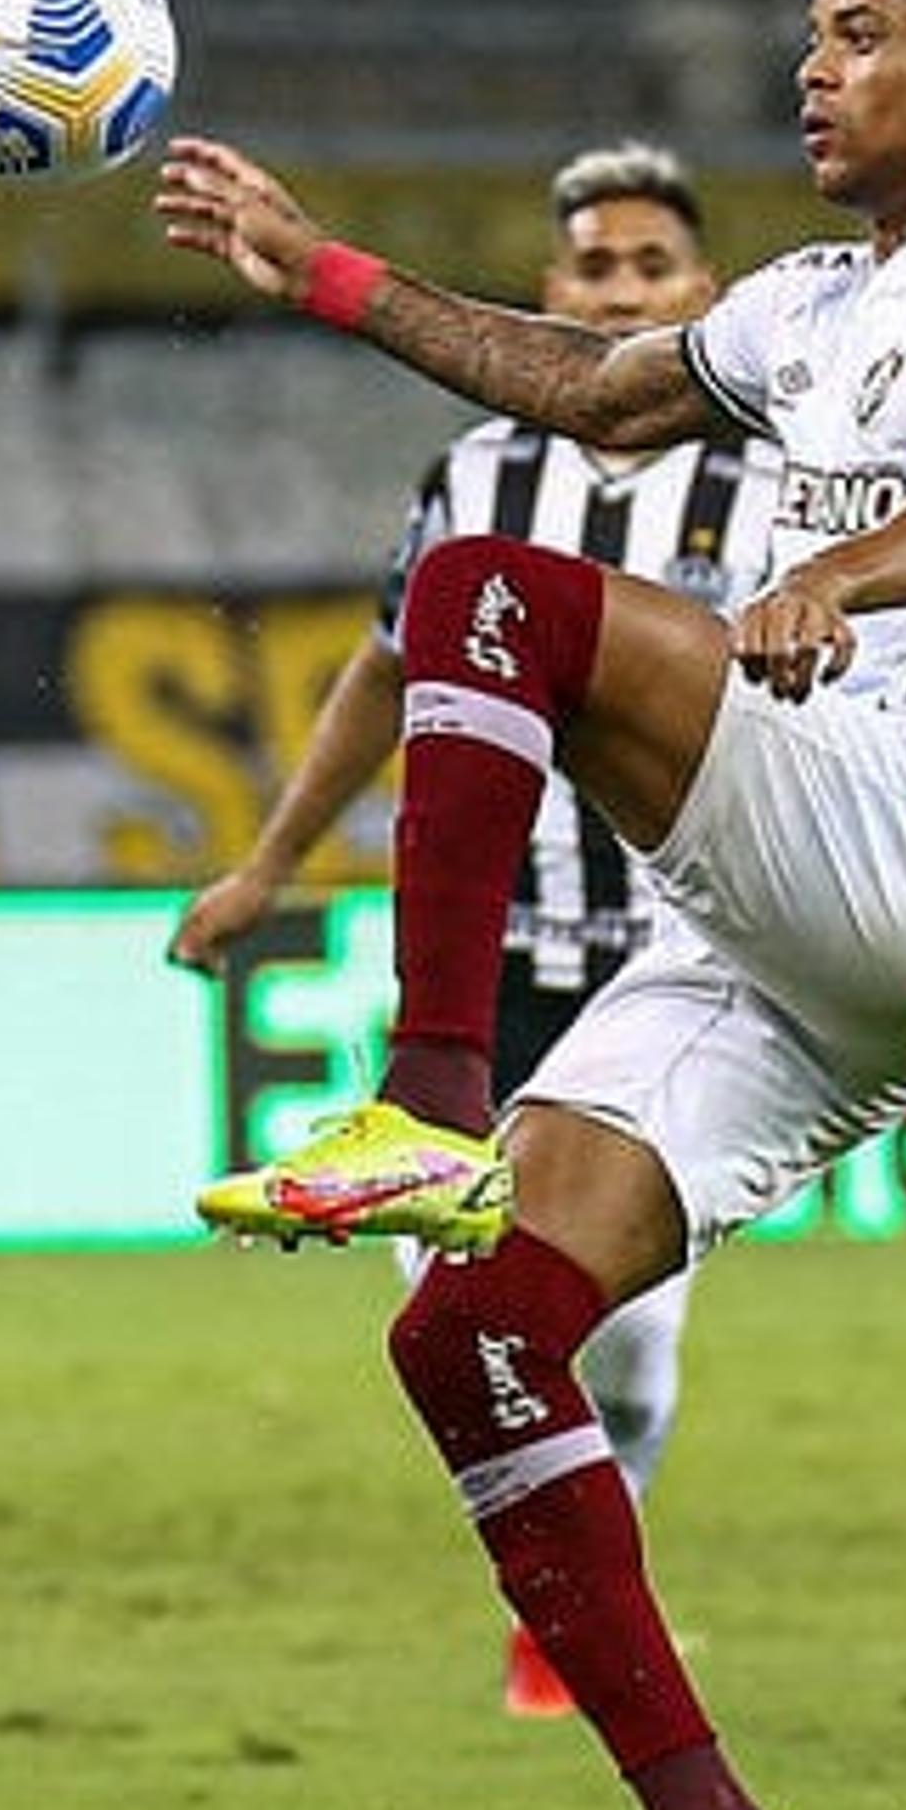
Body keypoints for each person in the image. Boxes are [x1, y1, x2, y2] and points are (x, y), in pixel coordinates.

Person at [152, 0, 906, 1810]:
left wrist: (834, 573)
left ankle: (424, 1102)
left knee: (499, 592)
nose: (814, 71)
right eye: (807, 38)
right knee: (477, 1343)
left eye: (860, 40)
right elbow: (584, 385)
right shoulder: (801, 302)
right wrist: (321, 266)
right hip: (777, 949)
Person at [168, 143, 768, 1721]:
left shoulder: (768, 476)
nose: (621, 288)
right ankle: (556, 1614)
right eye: (593, 271)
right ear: (554, 294)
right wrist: (269, 859)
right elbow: (387, 670)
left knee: (624, 1352)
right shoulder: (476, 476)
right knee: (459, 1324)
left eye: (650, 268)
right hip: (488, 953)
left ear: (698, 295)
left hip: (671, 948)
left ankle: (577, 1604)